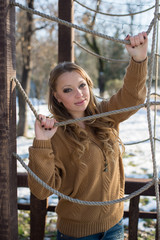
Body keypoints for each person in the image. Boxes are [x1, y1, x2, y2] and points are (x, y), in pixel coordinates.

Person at [28, 32, 148, 240]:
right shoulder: (53, 133)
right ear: (57, 97)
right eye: (68, 90)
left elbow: (132, 98)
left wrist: (138, 59)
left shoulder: (104, 115)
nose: (79, 94)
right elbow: (41, 191)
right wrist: (42, 143)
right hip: (77, 235)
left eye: (82, 85)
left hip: (115, 226)